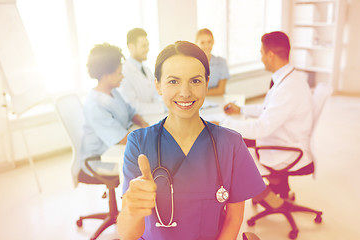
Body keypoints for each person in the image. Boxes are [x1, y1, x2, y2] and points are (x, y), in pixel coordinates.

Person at [117, 41, 265, 240]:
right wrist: (132, 210)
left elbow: (233, 218)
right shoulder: (139, 143)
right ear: (158, 86)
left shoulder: (231, 144)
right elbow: (127, 235)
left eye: (195, 81)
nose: (185, 92)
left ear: (206, 82)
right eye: (173, 81)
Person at [220, 31, 314, 198]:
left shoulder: (288, 89)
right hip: (281, 138)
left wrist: (223, 124)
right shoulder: (288, 79)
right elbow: (268, 109)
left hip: (285, 148)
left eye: (262, 53)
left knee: (231, 150)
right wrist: (241, 110)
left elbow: (261, 129)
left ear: (270, 55)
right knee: (238, 140)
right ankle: (274, 187)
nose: (261, 57)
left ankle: (268, 198)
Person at [78, 43, 149, 183]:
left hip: (117, 150)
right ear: (105, 76)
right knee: (151, 165)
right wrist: (151, 135)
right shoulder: (95, 105)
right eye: (119, 73)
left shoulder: (113, 92)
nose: (122, 77)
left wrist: (143, 123)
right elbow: (122, 139)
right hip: (102, 159)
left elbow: (131, 112)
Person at [118, 28, 165, 115]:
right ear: (131, 47)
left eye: (148, 45)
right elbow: (132, 106)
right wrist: (162, 107)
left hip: (152, 116)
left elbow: (156, 94)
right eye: (143, 46)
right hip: (138, 121)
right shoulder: (124, 72)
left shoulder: (146, 69)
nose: (147, 49)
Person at [195, 28, 230, 96]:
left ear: (213, 42)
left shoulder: (221, 62)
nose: (206, 46)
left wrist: (199, 93)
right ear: (196, 43)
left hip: (217, 100)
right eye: (202, 43)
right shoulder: (192, 64)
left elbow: (221, 90)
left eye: (209, 42)